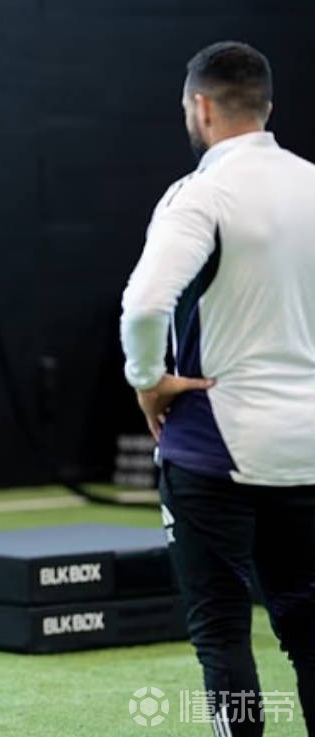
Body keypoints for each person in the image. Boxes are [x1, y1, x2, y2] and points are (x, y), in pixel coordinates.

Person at [121, 41, 315, 737]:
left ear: (200, 108)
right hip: (308, 446)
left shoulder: (200, 193)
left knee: (223, 634)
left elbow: (145, 305)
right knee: (309, 626)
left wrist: (147, 381)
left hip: (216, 447)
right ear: (267, 106)